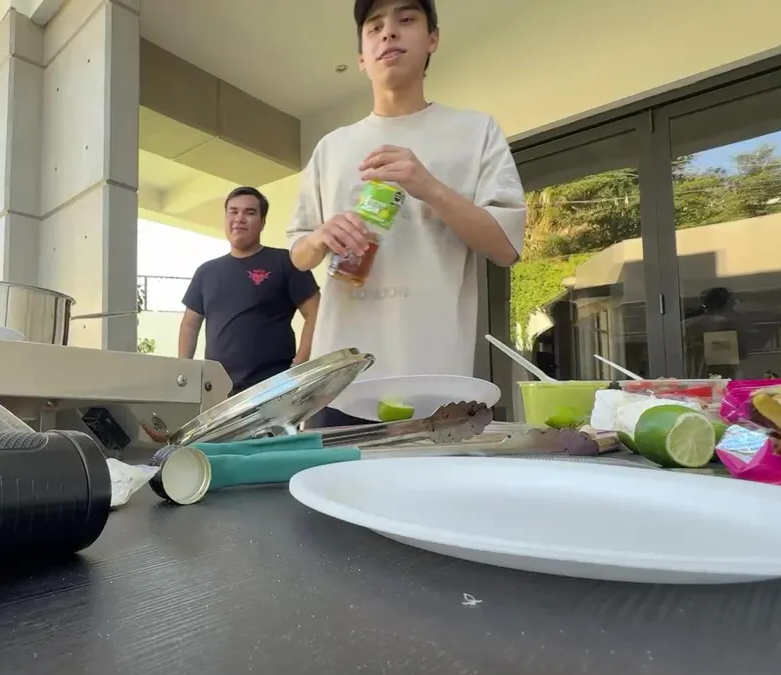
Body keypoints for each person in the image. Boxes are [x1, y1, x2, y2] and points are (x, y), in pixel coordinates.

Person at [288, 0, 527, 428]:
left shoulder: (475, 132)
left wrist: (429, 187)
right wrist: (321, 236)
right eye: (374, 26)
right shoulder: (331, 147)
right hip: (338, 383)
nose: (388, 32)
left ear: (432, 38)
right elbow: (299, 254)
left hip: (436, 384)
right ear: (362, 58)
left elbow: (506, 247)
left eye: (406, 19)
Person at [179, 187, 321, 396]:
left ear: (262, 223)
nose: (239, 218)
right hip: (218, 391)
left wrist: (299, 365)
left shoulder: (286, 262)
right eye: (233, 211)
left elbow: (316, 312)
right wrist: (184, 375)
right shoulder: (206, 272)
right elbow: (190, 325)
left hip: (273, 389)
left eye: (250, 212)